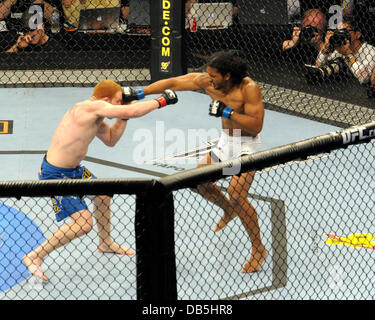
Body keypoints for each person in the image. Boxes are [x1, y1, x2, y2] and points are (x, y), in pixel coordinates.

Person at [123, 51, 267, 273]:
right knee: (198, 183)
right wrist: (142, 92)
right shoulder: (210, 83)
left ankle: (258, 249)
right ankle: (228, 210)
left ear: (227, 75)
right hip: (225, 143)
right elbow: (174, 81)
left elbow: (256, 126)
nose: (208, 79)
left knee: (238, 194)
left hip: (246, 147)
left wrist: (228, 112)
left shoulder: (249, 88)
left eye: (213, 75)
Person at [22, 80, 178, 281]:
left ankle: (105, 243)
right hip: (56, 175)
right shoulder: (88, 107)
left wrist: (125, 109)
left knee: (103, 196)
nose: (120, 104)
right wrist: (162, 100)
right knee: (83, 224)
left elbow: (111, 139)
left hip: (75, 170)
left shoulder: (96, 116)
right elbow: (133, 112)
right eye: (118, 101)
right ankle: (34, 256)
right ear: (105, 100)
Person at [315, 12, 375, 87]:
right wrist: (326, 47)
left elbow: (364, 79)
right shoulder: (341, 49)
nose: (340, 35)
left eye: (344, 31)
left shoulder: (371, 52)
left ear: (357, 34)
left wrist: (348, 54)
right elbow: (318, 65)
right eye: (338, 31)